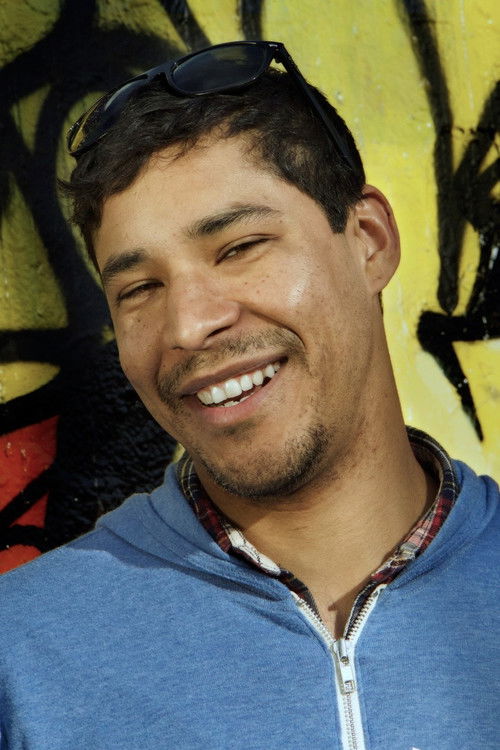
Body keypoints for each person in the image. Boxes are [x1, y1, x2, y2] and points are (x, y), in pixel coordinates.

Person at [0, 41, 498, 750]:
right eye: (139, 289)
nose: (188, 325)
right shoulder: (23, 656)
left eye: (239, 248)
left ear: (369, 240)